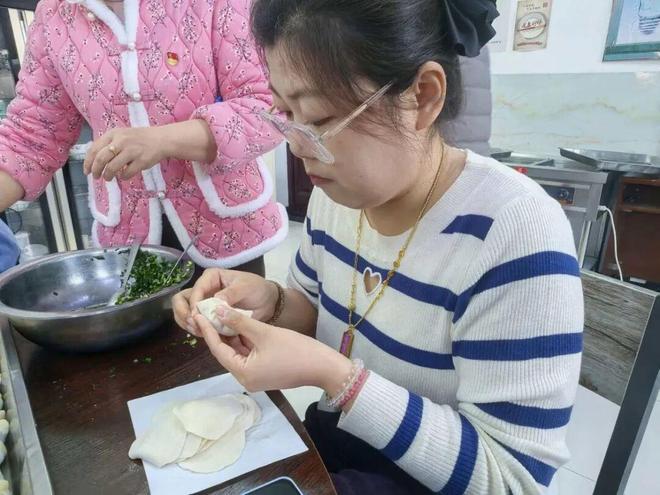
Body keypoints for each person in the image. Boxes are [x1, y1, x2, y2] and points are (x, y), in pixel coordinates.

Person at [173, 1, 584, 493]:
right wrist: (272, 303)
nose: (298, 146)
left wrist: (338, 379)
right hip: (336, 451)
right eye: (285, 114)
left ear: (422, 97)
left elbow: (513, 480)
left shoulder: (512, 232)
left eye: (319, 118)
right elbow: (322, 313)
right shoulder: (338, 197)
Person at [0, 0, 287, 276]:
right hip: (129, 238)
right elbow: (31, 134)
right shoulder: (54, 14)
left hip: (226, 228)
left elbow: (270, 108)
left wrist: (162, 141)